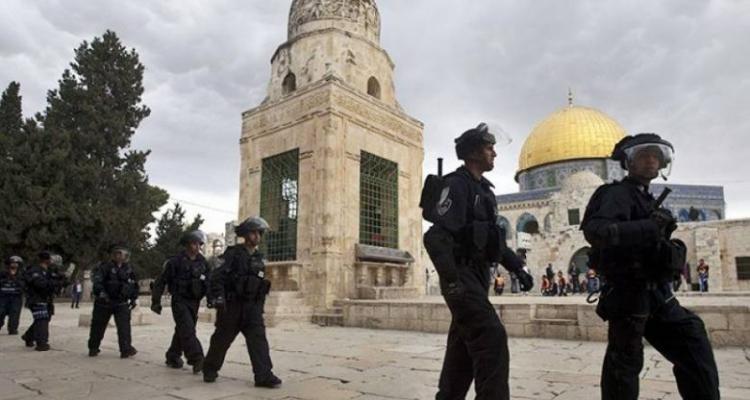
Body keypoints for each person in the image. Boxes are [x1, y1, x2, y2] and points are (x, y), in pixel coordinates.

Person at [581, 133, 719, 400]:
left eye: (656, 156)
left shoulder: (645, 198)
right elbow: (596, 231)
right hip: (628, 295)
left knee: (693, 341)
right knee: (624, 367)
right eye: (644, 155)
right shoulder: (615, 194)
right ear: (629, 162)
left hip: (658, 295)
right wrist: (649, 227)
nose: (651, 161)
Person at [421, 123, 534, 399]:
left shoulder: (484, 191)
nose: (494, 153)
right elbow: (435, 237)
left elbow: (494, 240)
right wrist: (451, 280)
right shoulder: (457, 186)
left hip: (478, 277)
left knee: (461, 351)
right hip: (462, 277)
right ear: (473, 153)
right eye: (488, 148)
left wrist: (517, 268)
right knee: (491, 338)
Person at [202, 217, 281, 388]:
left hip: (252, 308)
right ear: (245, 234)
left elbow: (261, 285)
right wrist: (219, 298)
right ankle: (209, 369)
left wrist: (259, 308)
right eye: (253, 233)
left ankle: (263, 375)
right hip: (232, 307)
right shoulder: (233, 254)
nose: (257, 236)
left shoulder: (259, 258)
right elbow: (217, 278)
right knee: (221, 340)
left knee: (259, 341)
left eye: (259, 233)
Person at [151, 230, 210, 374]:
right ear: (187, 244)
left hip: (194, 301)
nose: (197, 247)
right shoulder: (175, 262)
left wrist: (213, 299)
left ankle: (173, 355)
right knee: (188, 329)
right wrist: (156, 301)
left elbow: (209, 282)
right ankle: (197, 358)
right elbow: (161, 281)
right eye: (194, 243)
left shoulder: (203, 262)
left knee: (183, 329)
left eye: (199, 244)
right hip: (179, 300)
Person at [87, 245, 139, 359]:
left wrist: (133, 298)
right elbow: (97, 282)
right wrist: (102, 294)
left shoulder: (128, 269)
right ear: (115, 255)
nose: (123, 257)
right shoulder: (105, 267)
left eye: (124, 254)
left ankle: (125, 349)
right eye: (120, 254)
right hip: (104, 303)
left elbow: (133, 285)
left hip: (121, 302)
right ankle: (93, 348)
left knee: (124, 328)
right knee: (98, 327)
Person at [21, 252, 66, 351]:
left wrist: (63, 280)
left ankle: (28, 336)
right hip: (36, 299)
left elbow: (58, 281)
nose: (52, 262)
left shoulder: (49, 271)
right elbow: (41, 284)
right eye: (50, 259)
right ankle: (41, 343)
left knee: (44, 318)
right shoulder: (34, 271)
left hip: (47, 300)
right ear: (45, 260)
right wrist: (56, 283)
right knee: (42, 320)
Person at [0, 256, 25, 335]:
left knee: (14, 314)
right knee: (1, 312)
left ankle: (12, 329)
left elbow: (24, 285)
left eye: (16, 263)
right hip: (3, 296)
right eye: (12, 263)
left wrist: (15, 278)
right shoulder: (3, 273)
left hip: (15, 297)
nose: (14, 265)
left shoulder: (21, 274)